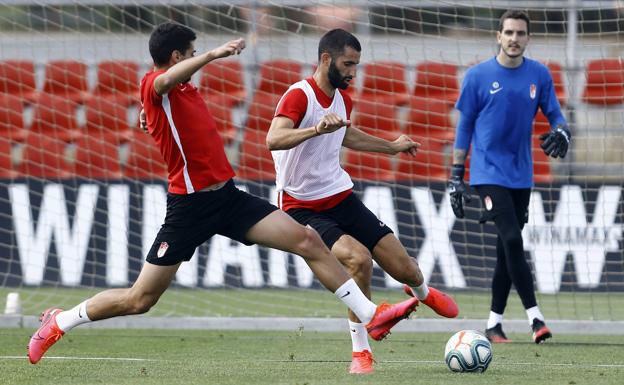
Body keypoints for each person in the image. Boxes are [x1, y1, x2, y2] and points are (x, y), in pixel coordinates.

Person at [26, 22, 421, 365]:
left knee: (308, 239)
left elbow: (163, 109)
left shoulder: (178, 93)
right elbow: (160, 82)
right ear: (178, 55)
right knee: (140, 300)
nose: (197, 60)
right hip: (190, 206)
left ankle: (370, 314)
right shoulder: (156, 84)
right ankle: (60, 321)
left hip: (229, 199)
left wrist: (149, 113)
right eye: (192, 54)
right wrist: (214, 54)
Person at [266, 28, 459, 374]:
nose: (354, 72)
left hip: (341, 196)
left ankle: (423, 292)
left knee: (407, 268)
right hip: (301, 205)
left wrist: (392, 145)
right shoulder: (299, 96)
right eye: (348, 64)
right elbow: (273, 139)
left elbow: (346, 135)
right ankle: (361, 351)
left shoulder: (343, 98)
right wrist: (315, 130)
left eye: (356, 64)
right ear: (326, 59)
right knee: (358, 260)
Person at [448, 10, 570, 344]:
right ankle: (536, 319)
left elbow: (557, 115)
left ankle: (493, 324)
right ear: (498, 36)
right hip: (487, 173)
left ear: (528, 38)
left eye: (520, 33)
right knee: (514, 240)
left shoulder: (539, 75)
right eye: (509, 32)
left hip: (521, 176)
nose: (514, 39)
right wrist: (456, 175)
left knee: (507, 248)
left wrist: (563, 131)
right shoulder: (477, 76)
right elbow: (464, 127)